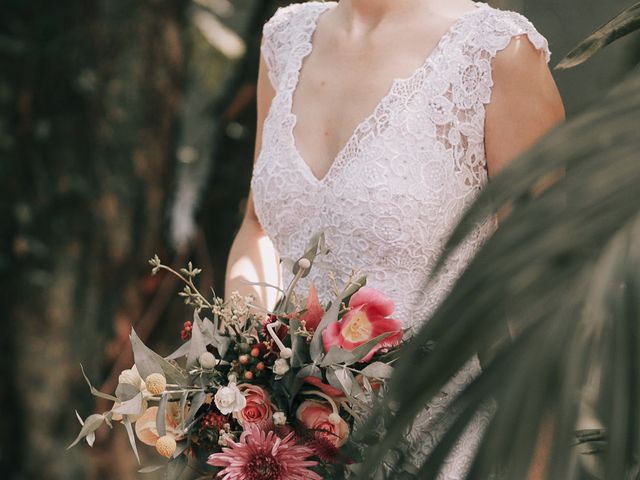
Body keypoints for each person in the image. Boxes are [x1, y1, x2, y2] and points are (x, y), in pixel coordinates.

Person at [225, 0, 565, 476]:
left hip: (430, 450)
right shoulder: (285, 39)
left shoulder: (498, 56)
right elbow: (257, 227)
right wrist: (243, 365)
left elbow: (542, 308)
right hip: (282, 453)